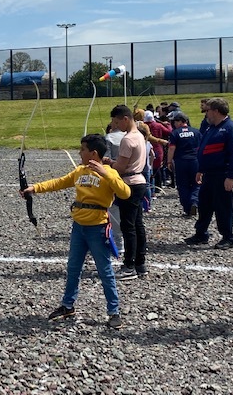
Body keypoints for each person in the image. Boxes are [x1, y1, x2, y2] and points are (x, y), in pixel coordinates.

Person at [21, 134, 131, 329]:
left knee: (105, 271)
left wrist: (106, 174)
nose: (79, 153)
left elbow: (125, 192)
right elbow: (59, 182)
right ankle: (67, 305)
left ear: (93, 153)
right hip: (78, 228)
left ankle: (114, 312)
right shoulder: (80, 171)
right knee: (73, 268)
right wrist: (34, 188)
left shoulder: (109, 172)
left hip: (97, 229)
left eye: (82, 150)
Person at [185, 98, 233, 249]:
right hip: (208, 174)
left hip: (221, 174)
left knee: (223, 206)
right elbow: (204, 151)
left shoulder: (231, 128)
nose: (206, 114)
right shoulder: (212, 128)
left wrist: (231, 176)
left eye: (208, 111)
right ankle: (201, 233)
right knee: (204, 205)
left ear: (216, 111)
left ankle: (228, 237)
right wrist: (200, 169)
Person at [104, 105, 148, 280]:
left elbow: (121, 167)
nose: (115, 126)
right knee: (137, 224)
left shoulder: (127, 139)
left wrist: (108, 162)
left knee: (128, 226)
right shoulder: (140, 136)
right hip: (140, 182)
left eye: (116, 122)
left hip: (129, 183)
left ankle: (129, 265)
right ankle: (140, 263)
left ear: (125, 119)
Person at [167, 112, 201, 217]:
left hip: (181, 161)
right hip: (195, 161)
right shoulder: (196, 132)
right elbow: (201, 148)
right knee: (196, 183)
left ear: (182, 122)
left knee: (182, 185)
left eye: (176, 121)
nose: (174, 124)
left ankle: (187, 208)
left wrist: (169, 161)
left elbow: (172, 148)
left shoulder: (175, 133)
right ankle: (194, 201)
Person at [105, 121, 126, 253]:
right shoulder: (133, 136)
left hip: (115, 176)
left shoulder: (109, 138)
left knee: (114, 209)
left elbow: (105, 160)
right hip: (134, 178)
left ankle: (118, 243)